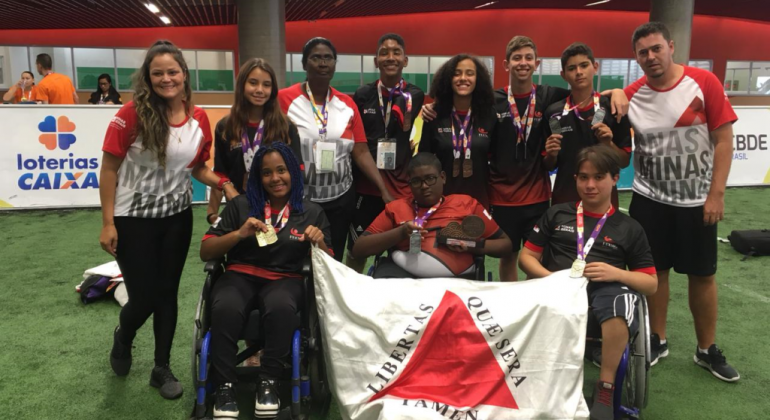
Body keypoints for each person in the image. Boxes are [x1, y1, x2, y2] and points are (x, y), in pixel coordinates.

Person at [421, 36, 628, 282]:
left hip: (538, 197)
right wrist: (431, 107)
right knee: (508, 256)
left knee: (535, 258)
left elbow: (582, 93)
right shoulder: (492, 101)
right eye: (517, 58)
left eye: (528, 58)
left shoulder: (551, 98)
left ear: (537, 63)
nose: (523, 63)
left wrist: (618, 91)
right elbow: (460, 106)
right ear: (506, 64)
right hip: (500, 196)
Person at [99, 40, 238, 400]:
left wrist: (223, 183)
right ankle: (124, 336)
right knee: (144, 296)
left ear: (184, 75)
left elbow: (196, 168)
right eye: (157, 72)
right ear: (148, 76)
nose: (166, 79)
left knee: (168, 294)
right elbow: (109, 169)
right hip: (132, 220)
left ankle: (161, 367)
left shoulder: (199, 117)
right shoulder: (130, 114)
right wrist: (108, 222)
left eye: (172, 71)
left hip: (176, 218)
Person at [625, 22, 739, 382]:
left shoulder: (703, 83)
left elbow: (723, 140)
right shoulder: (632, 94)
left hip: (696, 202)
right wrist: (612, 95)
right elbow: (602, 107)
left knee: (702, 275)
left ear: (671, 46)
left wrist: (716, 194)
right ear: (637, 58)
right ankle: (657, 340)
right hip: (649, 200)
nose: (651, 57)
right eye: (643, 52)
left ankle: (706, 349)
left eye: (656, 48)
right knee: (654, 274)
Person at [518, 145, 657, 420]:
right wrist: (552, 279)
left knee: (621, 301)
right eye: (583, 177)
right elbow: (526, 257)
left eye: (598, 177)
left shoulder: (629, 227)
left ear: (615, 178)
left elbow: (650, 283)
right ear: (575, 179)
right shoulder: (556, 214)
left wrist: (616, 273)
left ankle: (605, 386)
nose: (590, 185)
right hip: (557, 285)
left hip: (605, 289)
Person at [200, 142, 331, 419]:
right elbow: (206, 250)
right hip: (240, 274)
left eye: (281, 170)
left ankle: (269, 381)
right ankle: (224, 386)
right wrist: (238, 234)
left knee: (281, 306)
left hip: (286, 278)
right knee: (224, 306)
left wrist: (319, 245)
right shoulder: (241, 205)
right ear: (258, 178)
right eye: (267, 172)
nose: (275, 178)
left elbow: (329, 263)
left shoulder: (311, 212)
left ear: (293, 173)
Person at [279, 37, 394, 262]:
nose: (323, 63)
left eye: (328, 58)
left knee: (332, 256)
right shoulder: (284, 100)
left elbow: (360, 151)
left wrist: (383, 189)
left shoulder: (347, 104)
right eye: (316, 58)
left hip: (340, 199)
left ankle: (327, 298)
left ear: (334, 64)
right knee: (296, 257)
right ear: (304, 64)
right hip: (300, 197)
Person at [352, 152, 512, 279]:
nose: (424, 186)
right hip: (405, 279)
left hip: (457, 282)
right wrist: (400, 233)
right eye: (416, 181)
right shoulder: (397, 208)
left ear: (442, 177)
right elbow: (359, 248)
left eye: (430, 179)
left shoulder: (466, 204)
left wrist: (472, 245)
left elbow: (505, 245)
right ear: (410, 184)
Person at [346, 33, 426, 273]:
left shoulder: (416, 95)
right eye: (384, 52)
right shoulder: (362, 95)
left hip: (400, 190)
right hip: (366, 188)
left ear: (405, 60)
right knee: (356, 250)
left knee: (400, 252)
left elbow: (402, 127)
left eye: (396, 52)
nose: (390, 57)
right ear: (376, 60)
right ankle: (352, 299)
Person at [206, 58, 304, 226]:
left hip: (278, 210)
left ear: (272, 90)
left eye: (266, 85)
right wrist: (212, 213)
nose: (260, 90)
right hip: (240, 209)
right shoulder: (226, 127)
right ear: (242, 85)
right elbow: (221, 174)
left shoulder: (285, 126)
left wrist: (295, 210)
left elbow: (297, 171)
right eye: (253, 83)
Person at [543, 42, 632, 208]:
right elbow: (549, 165)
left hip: (604, 201)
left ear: (595, 67)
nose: (579, 72)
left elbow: (624, 162)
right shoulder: (553, 113)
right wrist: (552, 154)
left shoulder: (613, 108)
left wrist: (608, 144)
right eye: (571, 68)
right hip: (565, 199)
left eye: (584, 65)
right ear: (563, 74)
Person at [417, 54, 496, 209]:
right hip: (442, 202)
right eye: (457, 73)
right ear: (448, 79)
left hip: (478, 201)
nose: (463, 78)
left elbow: (497, 159)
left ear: (478, 79)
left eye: (470, 73)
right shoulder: (434, 115)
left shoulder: (489, 115)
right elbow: (423, 160)